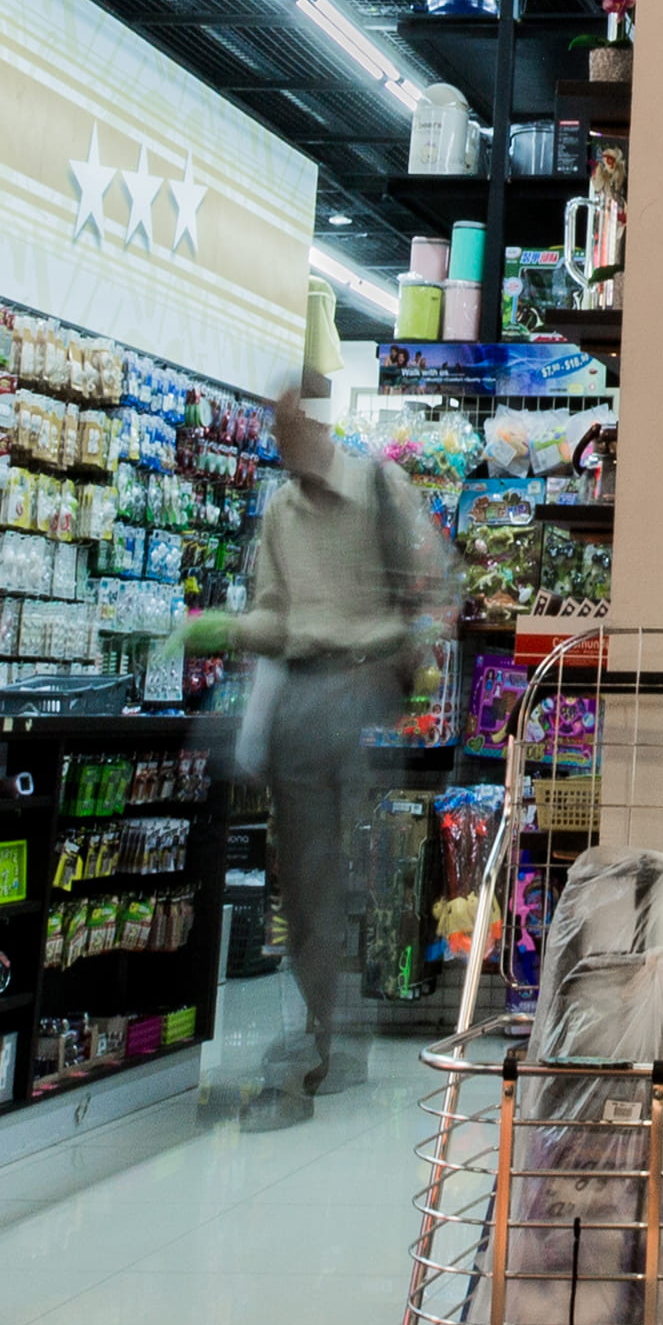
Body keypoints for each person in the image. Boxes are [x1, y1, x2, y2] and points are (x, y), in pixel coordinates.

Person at [188, 352, 451, 1117]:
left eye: (288, 420)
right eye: (274, 424)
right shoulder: (281, 512)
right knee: (309, 883)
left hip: (366, 695)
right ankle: (321, 1042)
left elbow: (437, 583)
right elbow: (277, 617)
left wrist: (413, 658)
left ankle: (331, 1042)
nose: (279, 436)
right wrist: (230, 627)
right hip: (305, 697)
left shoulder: (381, 489)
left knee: (358, 878)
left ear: (315, 419)